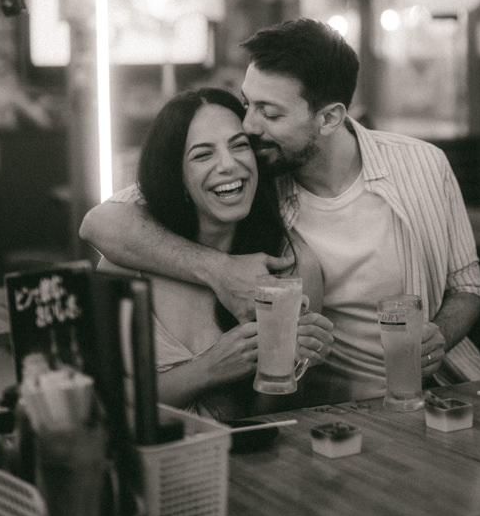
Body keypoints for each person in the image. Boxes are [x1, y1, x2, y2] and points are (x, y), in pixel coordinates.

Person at [81, 19, 480, 404]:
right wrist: (220, 271)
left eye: (270, 112)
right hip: (327, 409)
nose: (247, 125)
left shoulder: (423, 165)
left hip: (437, 390)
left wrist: (439, 334)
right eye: (248, 103)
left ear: (329, 118)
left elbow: (467, 287)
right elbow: (102, 221)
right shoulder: (252, 170)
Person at [99, 86, 333, 421]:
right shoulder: (128, 260)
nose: (229, 165)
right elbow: (103, 406)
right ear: (176, 175)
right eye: (202, 155)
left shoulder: (293, 266)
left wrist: (288, 364)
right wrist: (209, 368)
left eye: (239, 146)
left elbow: (272, 422)